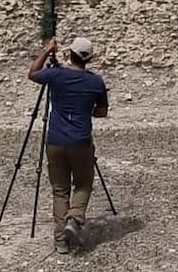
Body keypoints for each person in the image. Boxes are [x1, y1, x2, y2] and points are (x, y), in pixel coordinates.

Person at [27, 36, 109, 254]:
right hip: (81, 141)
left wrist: (46, 50)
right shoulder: (96, 82)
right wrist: (84, 109)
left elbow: (32, 73)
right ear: (89, 58)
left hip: (55, 141)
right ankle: (75, 218)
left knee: (60, 190)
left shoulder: (56, 75)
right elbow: (102, 112)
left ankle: (61, 239)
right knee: (83, 185)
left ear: (69, 54)